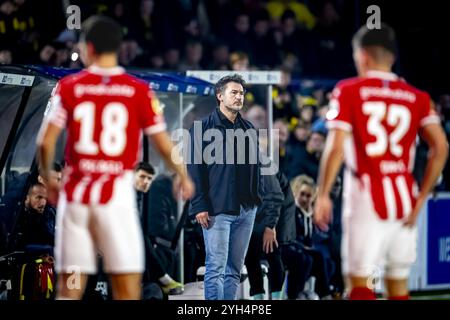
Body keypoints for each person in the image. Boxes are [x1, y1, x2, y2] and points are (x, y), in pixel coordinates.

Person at [36, 15, 194, 300]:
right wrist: (182, 175)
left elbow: (45, 143)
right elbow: (162, 142)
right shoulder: (138, 91)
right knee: (126, 287)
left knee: (70, 286)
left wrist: (48, 178)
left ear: (89, 48)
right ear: (118, 49)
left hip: (78, 201)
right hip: (117, 202)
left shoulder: (70, 87)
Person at [314, 23, 449, 300]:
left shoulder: (349, 90)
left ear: (362, 55)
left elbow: (336, 146)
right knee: (398, 285)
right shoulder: (417, 97)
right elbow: (441, 146)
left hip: (366, 196)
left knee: (360, 284)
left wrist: (324, 194)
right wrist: (421, 197)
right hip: (404, 199)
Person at [187, 74, 262, 300]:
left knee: (234, 270)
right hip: (216, 209)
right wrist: (199, 205)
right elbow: (194, 170)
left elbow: (256, 168)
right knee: (215, 268)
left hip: (246, 210)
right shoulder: (201, 128)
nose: (239, 97)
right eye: (234, 93)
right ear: (220, 96)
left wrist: (257, 200)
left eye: (241, 93)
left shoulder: (249, 128)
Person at [133, 163, 184, 296]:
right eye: (142, 177)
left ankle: (162, 277)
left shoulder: (141, 197)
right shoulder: (127, 196)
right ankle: (162, 277)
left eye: (149, 179)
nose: (146, 182)